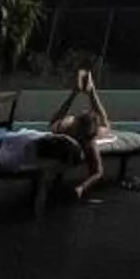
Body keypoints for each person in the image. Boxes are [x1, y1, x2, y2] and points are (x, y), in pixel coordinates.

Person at [50, 64, 111, 199]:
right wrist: (82, 187)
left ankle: (77, 91)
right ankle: (91, 91)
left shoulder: (79, 132)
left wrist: (81, 187)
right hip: (69, 128)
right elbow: (98, 172)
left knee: (54, 124)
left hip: (66, 126)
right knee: (106, 126)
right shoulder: (89, 141)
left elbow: (97, 172)